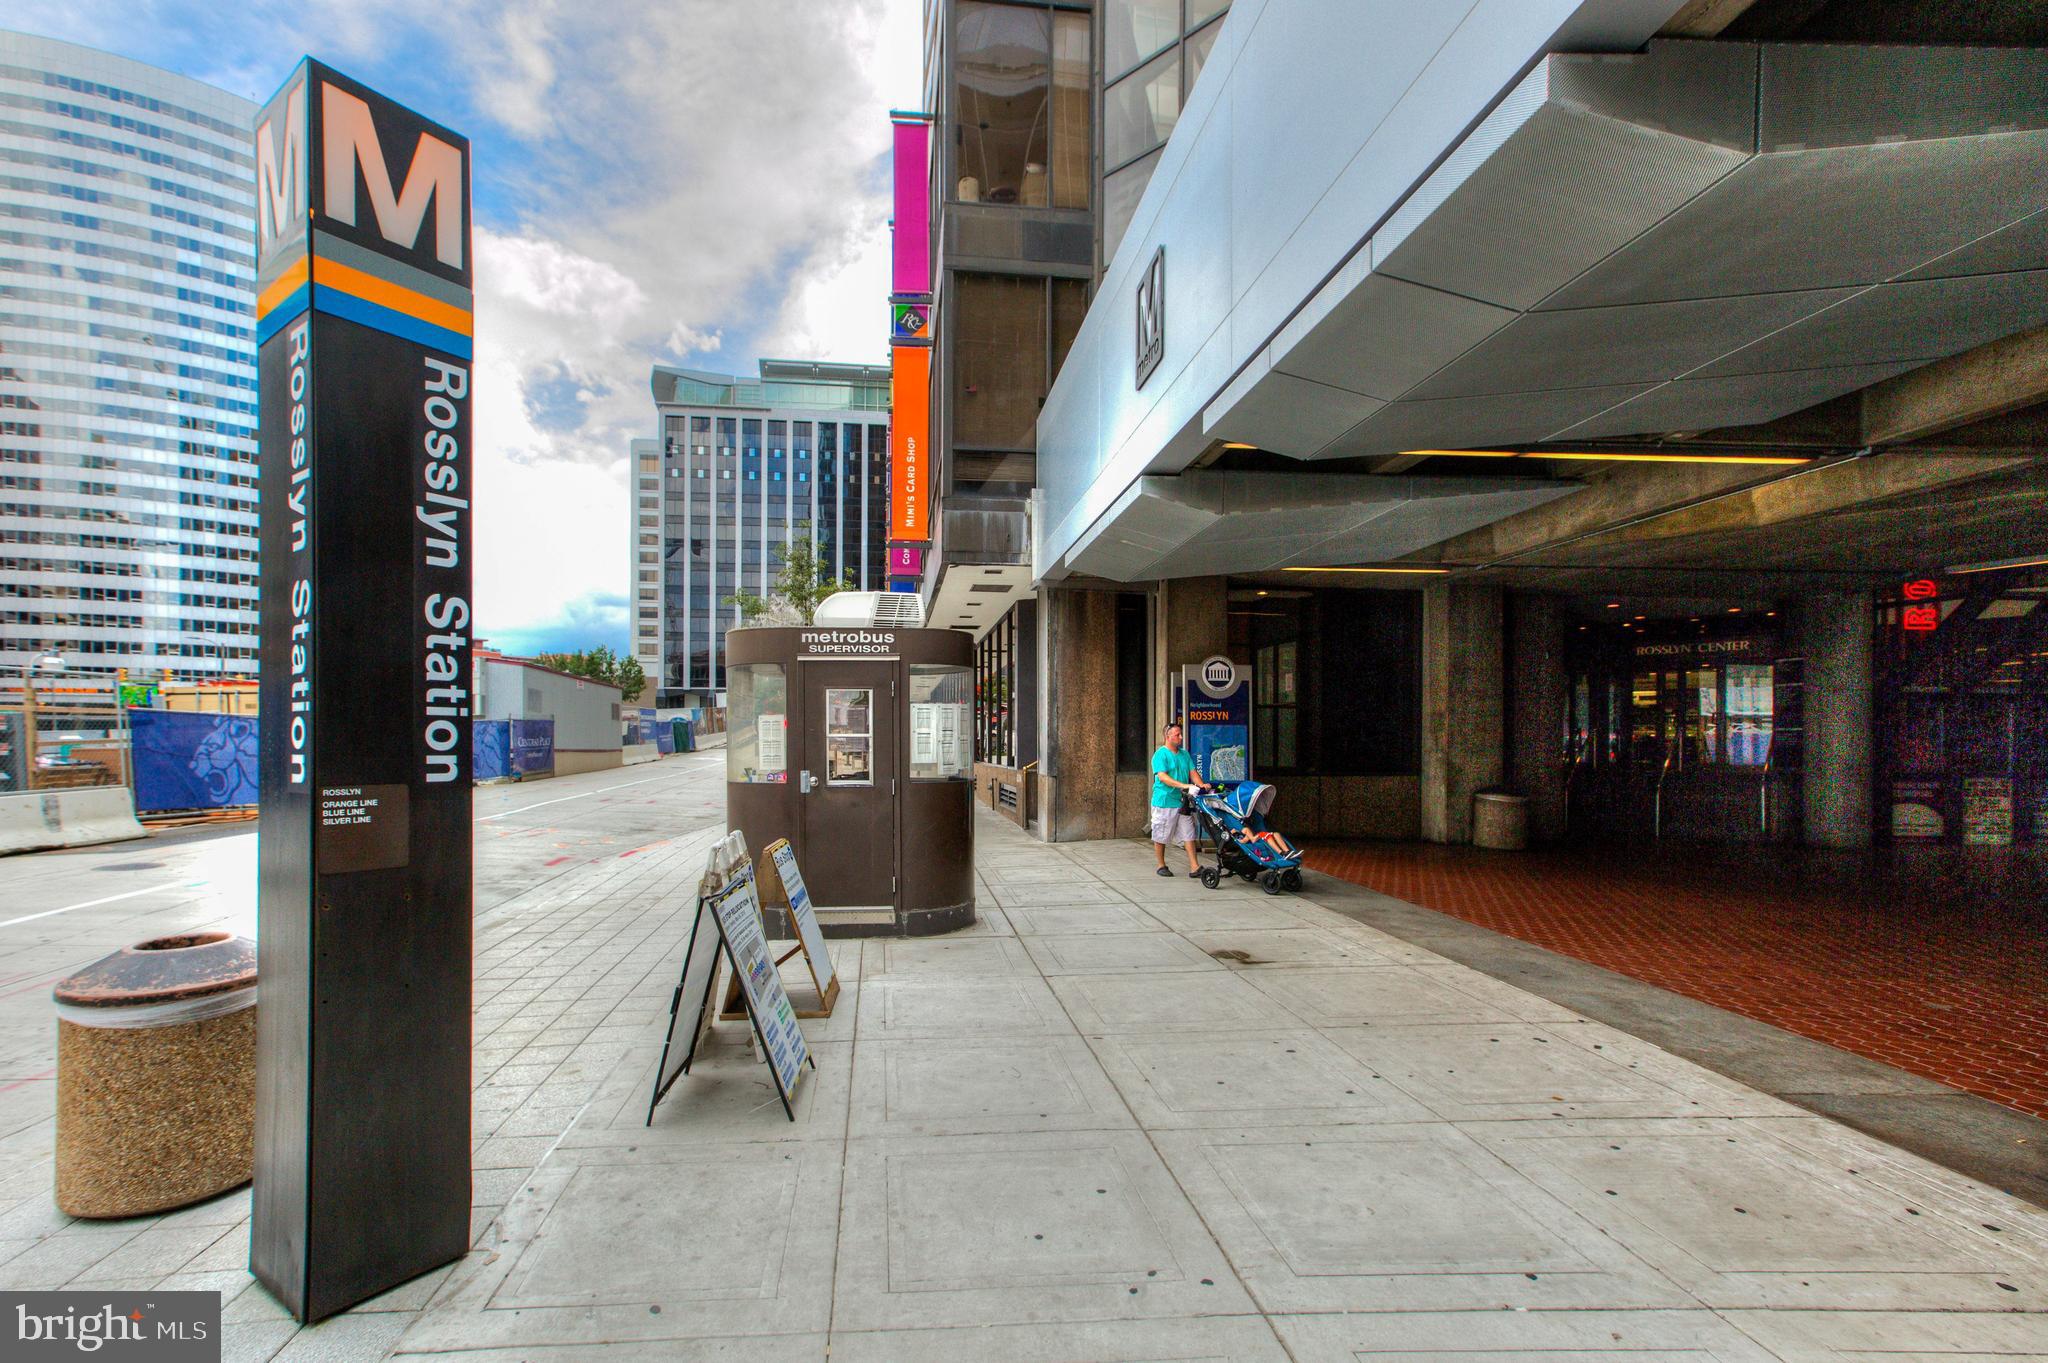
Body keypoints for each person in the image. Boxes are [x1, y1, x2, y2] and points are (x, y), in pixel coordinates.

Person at [1150, 721, 1205, 877]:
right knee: (1161, 833)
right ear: (1168, 736)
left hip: (1182, 801)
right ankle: (1161, 865)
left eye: (1181, 734)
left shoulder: (1184, 754)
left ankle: (1195, 866)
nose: (1181, 737)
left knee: (1188, 833)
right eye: (1177, 735)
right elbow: (1163, 777)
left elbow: (1192, 771)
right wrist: (1185, 785)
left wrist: (1201, 785)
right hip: (1165, 801)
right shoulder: (1160, 755)